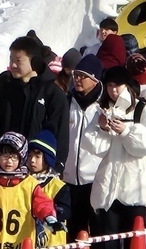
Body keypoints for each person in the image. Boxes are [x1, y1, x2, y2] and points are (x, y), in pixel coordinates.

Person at [83, 66, 146, 249]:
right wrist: (101, 128)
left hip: (136, 187)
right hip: (108, 187)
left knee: (133, 241)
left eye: (118, 85)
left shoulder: (141, 109)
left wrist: (126, 131)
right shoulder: (102, 110)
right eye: (109, 86)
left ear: (127, 86)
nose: (113, 90)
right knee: (107, 240)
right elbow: (94, 147)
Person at [0, 36, 69, 180]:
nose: (13, 65)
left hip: (37, 176)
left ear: (34, 62)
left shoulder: (53, 94)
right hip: (5, 170)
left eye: (18, 60)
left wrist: (55, 171)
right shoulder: (5, 87)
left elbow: (60, 137)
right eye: (11, 60)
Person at [0, 132, 58, 249]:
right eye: (5, 156)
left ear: (22, 157)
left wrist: (49, 217)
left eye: (14, 157)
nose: (9, 162)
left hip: (20, 244)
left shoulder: (30, 185)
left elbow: (42, 204)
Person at [62, 54, 104, 238]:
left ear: (94, 79)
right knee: (73, 230)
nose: (77, 80)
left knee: (97, 231)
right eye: (76, 75)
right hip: (69, 178)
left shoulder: (104, 106)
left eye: (83, 76)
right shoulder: (67, 102)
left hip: (95, 180)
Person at [27, 132, 71, 246]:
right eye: (30, 155)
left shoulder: (58, 186)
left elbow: (64, 212)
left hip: (52, 242)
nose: (32, 160)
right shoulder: (23, 182)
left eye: (37, 156)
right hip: (28, 240)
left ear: (47, 159)